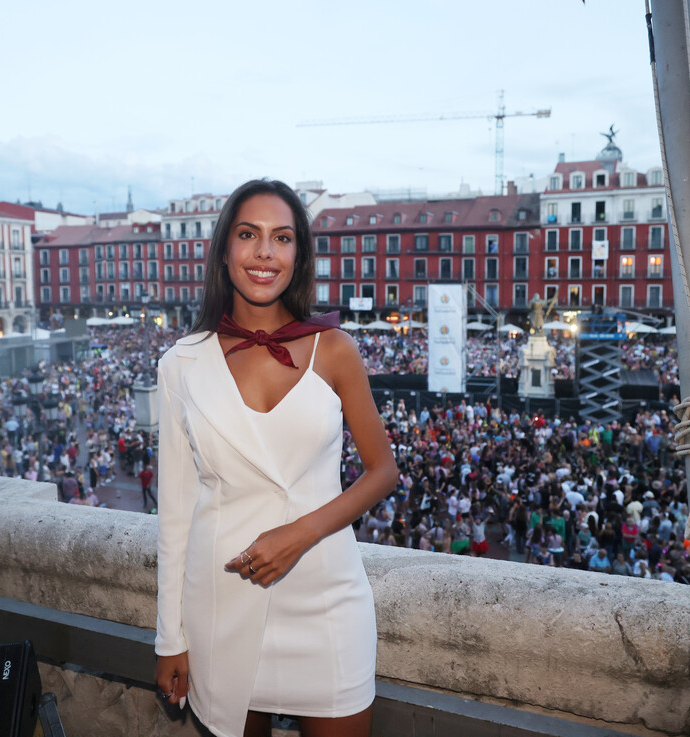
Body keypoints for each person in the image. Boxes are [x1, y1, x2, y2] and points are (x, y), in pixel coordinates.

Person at [153, 180, 398, 737]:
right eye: (248, 234)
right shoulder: (181, 364)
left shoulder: (335, 348)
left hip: (328, 597)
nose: (265, 252)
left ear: (299, 255)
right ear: (223, 250)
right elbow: (174, 515)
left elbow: (383, 470)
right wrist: (171, 638)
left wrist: (298, 534)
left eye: (281, 237)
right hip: (223, 599)